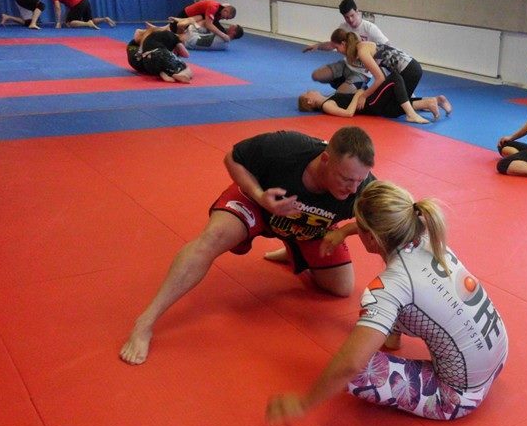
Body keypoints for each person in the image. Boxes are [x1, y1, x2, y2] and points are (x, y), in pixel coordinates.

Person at [120, 127, 376, 365]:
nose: (352, 188)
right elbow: (233, 158)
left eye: (358, 181)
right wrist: (259, 195)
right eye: (345, 179)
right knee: (212, 238)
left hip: (310, 225)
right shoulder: (288, 147)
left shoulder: (363, 188)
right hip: (258, 203)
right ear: (325, 159)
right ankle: (146, 322)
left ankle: (292, 251)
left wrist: (343, 231)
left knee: (341, 288)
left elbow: (383, 224)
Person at [265, 180, 508, 424]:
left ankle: (389, 334)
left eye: (359, 228)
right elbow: (374, 231)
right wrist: (344, 231)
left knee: (359, 368)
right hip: (498, 357)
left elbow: (350, 364)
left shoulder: (389, 287)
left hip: (459, 396)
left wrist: (303, 403)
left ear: (370, 238)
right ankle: (391, 333)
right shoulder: (427, 236)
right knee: (409, 306)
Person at [329, 29, 429, 124]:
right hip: (412, 67)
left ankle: (413, 113)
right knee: (392, 103)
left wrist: (364, 95)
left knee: (392, 110)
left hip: (409, 70)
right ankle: (430, 102)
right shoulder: (364, 45)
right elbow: (383, 70)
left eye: (336, 47)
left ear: (343, 43)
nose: (337, 51)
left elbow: (380, 79)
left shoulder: (362, 52)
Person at [303, 0, 389, 92]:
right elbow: (333, 45)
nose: (350, 20)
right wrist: (317, 46)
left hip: (362, 73)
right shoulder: (344, 27)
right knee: (316, 76)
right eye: (346, 17)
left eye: (352, 15)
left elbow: (387, 46)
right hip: (346, 65)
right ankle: (349, 87)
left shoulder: (370, 29)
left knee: (339, 96)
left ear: (357, 11)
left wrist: (375, 64)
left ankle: (358, 88)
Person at [297, 77, 452, 121]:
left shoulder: (328, 98)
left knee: (394, 108)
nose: (310, 90)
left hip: (370, 104)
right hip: (369, 104)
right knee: (395, 79)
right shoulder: (326, 105)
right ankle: (423, 107)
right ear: (310, 101)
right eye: (307, 93)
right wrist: (358, 95)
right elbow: (348, 114)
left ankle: (432, 101)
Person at [125, 27, 193, 84]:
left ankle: (163, 73)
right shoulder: (174, 37)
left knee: (160, 63)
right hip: (156, 54)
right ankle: (180, 74)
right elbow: (186, 54)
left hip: (142, 64)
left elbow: (138, 32)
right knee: (185, 67)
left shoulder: (147, 39)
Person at [50, 0, 115, 29]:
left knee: (69, 23)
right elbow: (68, 10)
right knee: (90, 19)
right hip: (85, 0)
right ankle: (104, 19)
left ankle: (87, 24)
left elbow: (57, 7)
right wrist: (63, 20)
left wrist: (58, 23)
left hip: (78, 3)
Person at [163, 17, 244, 50]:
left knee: (197, 20)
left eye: (232, 26)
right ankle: (175, 24)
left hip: (192, 39)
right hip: (193, 41)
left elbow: (210, 25)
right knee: (178, 33)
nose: (229, 26)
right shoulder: (225, 45)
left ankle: (177, 20)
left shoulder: (224, 37)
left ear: (233, 32)